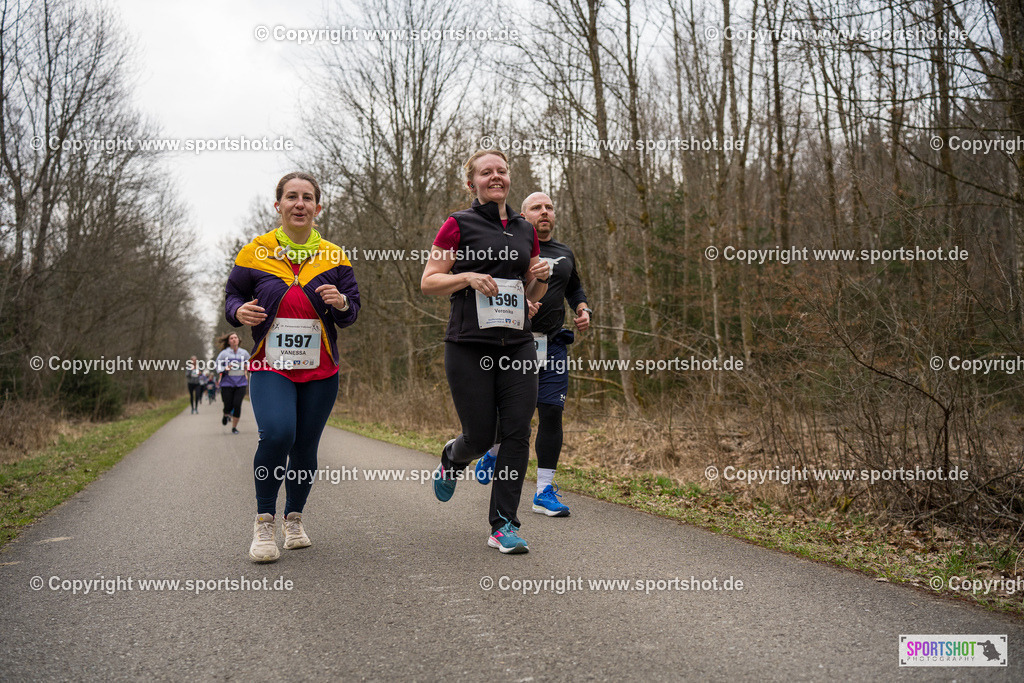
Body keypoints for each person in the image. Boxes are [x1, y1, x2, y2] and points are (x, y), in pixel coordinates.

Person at [226, 171, 360, 563]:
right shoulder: (255, 252)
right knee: (278, 433)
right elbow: (232, 295)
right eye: (291, 197)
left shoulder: (335, 256)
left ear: (318, 208)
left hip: (321, 368)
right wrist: (239, 311)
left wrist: (341, 303)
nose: (299, 204)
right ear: (278, 205)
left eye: (307, 198)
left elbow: (352, 310)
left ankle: (294, 520)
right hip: (271, 364)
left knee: (305, 446)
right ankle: (264, 521)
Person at [421, 149, 551, 554]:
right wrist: (467, 277)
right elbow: (429, 280)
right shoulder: (458, 224)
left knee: (517, 432)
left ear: (509, 178)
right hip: (469, 345)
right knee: (480, 437)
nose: (496, 177)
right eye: (486, 172)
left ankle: (503, 525)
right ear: (471, 183)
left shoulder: (525, 229)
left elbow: (531, 293)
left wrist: (541, 280)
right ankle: (453, 457)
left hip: (518, 344)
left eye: (502, 171)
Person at [475, 192, 591, 517]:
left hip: (553, 344)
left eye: (549, 207)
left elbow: (574, 288)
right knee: (514, 415)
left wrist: (583, 308)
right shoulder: (512, 250)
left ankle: (543, 491)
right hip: (514, 342)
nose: (544, 212)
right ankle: (493, 452)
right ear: (523, 215)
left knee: (552, 412)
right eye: (537, 208)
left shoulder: (565, 253)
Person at [215, 333, 250, 434]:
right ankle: (226, 414)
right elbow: (217, 365)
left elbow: (251, 363)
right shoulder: (224, 354)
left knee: (237, 405)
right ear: (228, 341)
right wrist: (224, 368)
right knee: (228, 405)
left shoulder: (244, 353)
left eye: (235, 338)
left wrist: (247, 366)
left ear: (238, 340)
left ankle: (234, 427)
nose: (234, 339)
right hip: (227, 383)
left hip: (241, 383)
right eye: (231, 338)